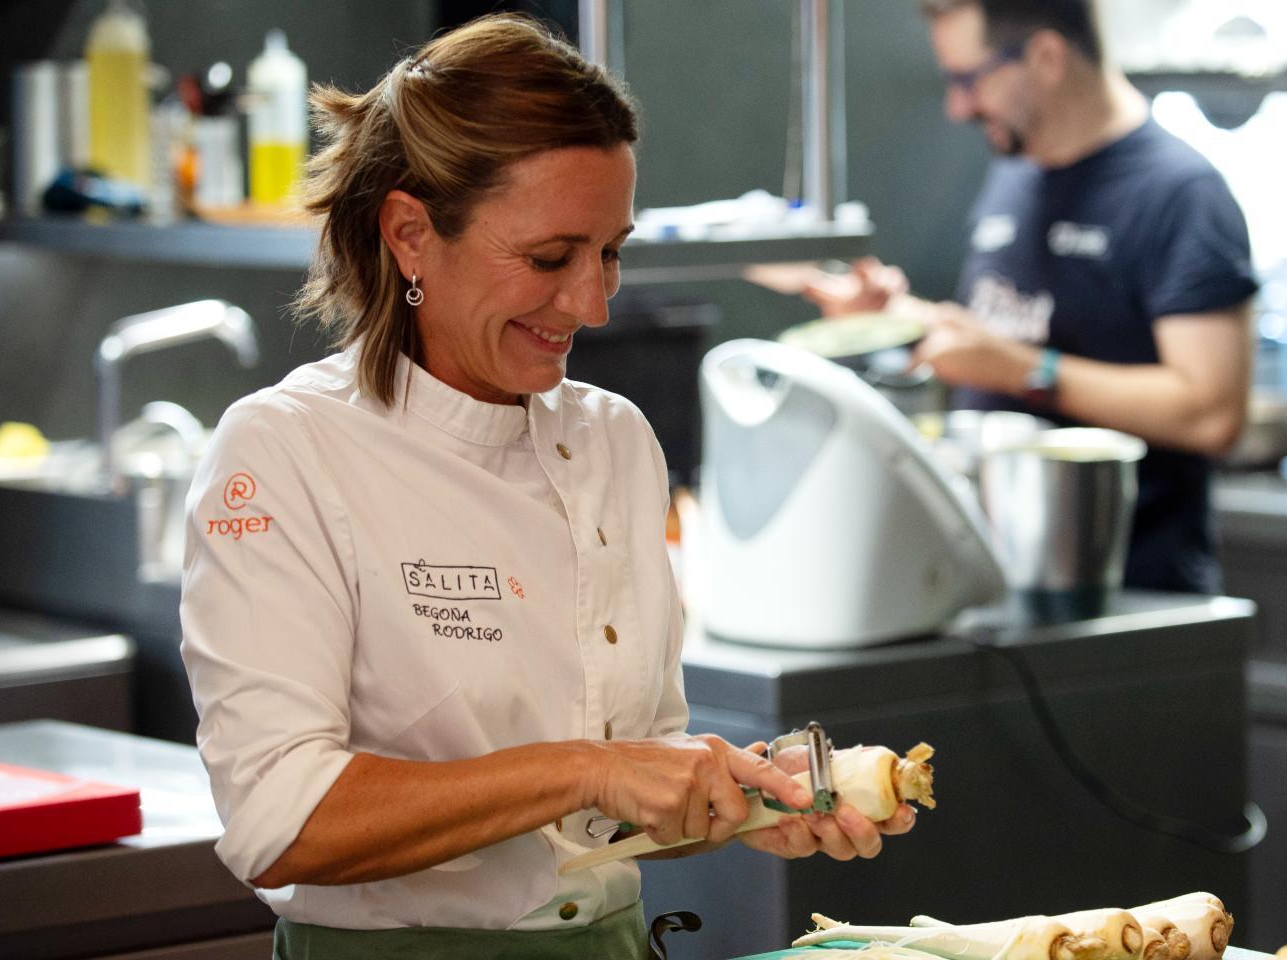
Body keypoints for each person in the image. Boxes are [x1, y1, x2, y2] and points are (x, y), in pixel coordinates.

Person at [178, 15, 913, 958]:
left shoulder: (614, 442)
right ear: (410, 233)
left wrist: (738, 804)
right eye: (549, 257)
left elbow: (609, 813)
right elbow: (278, 823)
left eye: (612, 251)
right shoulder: (286, 451)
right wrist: (589, 769)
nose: (593, 302)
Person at [806, 0, 1257, 594]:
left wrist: (1027, 371)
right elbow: (1008, 333)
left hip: (1131, 601)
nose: (958, 106)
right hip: (1002, 588)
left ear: (1047, 56)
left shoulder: (1181, 195)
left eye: (970, 79)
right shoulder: (1015, 174)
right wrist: (895, 320)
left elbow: (1212, 413)